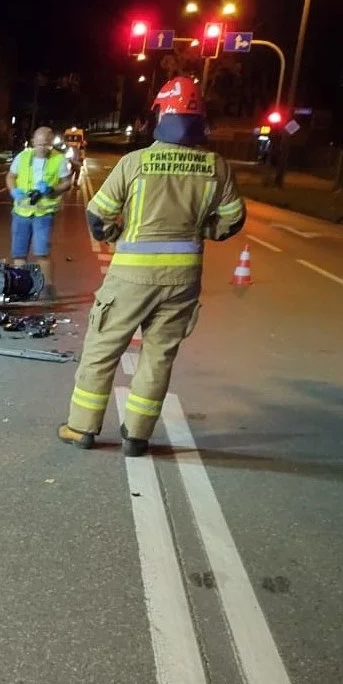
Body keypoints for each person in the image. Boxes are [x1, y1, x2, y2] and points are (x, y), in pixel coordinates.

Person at [58, 76, 245, 456]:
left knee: (102, 349)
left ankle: (82, 428)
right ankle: (138, 436)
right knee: (159, 356)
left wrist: (117, 235)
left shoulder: (136, 163)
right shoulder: (216, 167)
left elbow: (98, 216)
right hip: (183, 281)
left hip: (131, 277)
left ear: (161, 114)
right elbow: (232, 220)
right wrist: (201, 228)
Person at [5, 126, 73, 298]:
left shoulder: (59, 159)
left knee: (42, 252)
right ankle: (20, 286)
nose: (42, 147)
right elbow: (11, 176)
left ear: (50, 144)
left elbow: (67, 183)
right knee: (19, 253)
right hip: (22, 211)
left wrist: (52, 190)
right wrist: (14, 191)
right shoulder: (23, 156)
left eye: (46, 144)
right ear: (33, 141)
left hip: (44, 213)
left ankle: (48, 288)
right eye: (39, 144)